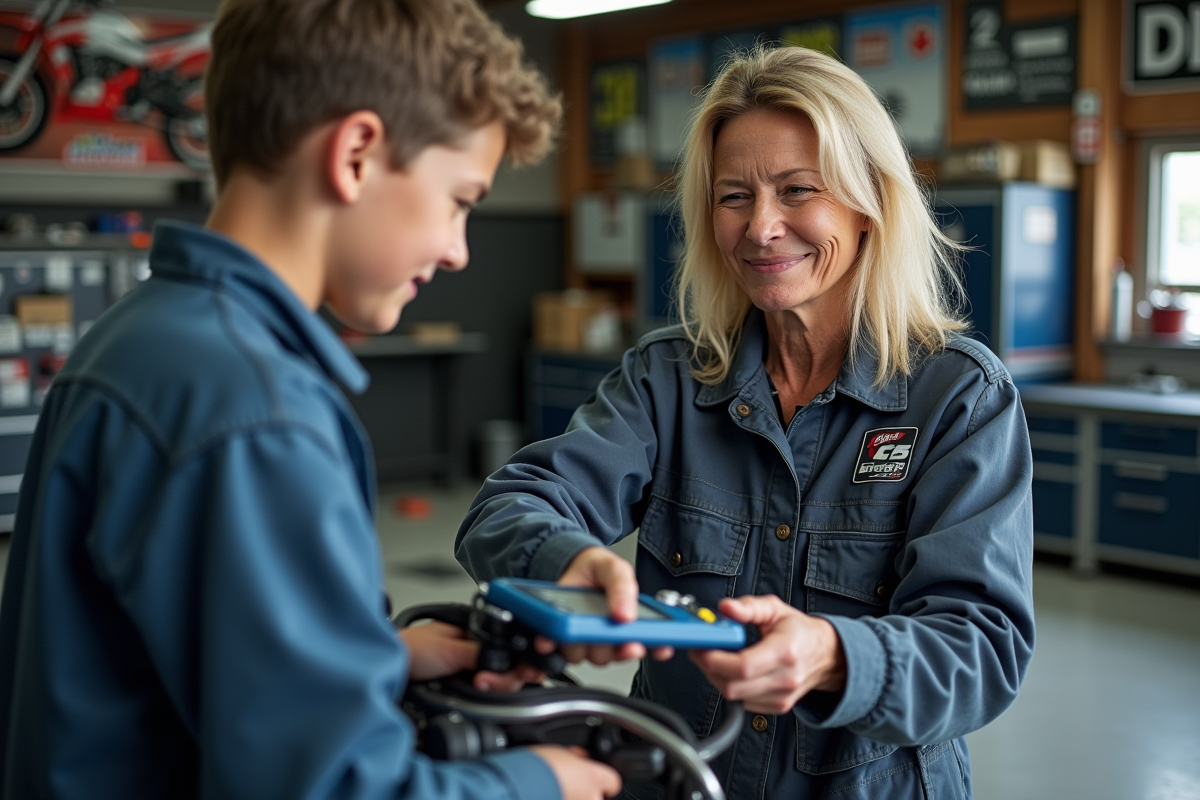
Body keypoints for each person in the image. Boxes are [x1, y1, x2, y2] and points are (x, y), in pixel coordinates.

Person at [0, 1, 624, 799]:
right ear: (357, 153)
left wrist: (374, 653)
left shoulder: (139, 338)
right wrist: (542, 783)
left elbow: (154, 656)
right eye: (460, 201)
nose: (460, 250)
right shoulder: (256, 414)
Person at [456, 46, 1035, 800]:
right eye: (734, 197)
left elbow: (981, 650)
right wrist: (570, 562)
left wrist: (833, 655)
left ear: (869, 204)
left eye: (797, 190)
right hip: (681, 780)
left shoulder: (959, 399)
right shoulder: (667, 377)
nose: (762, 227)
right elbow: (503, 508)